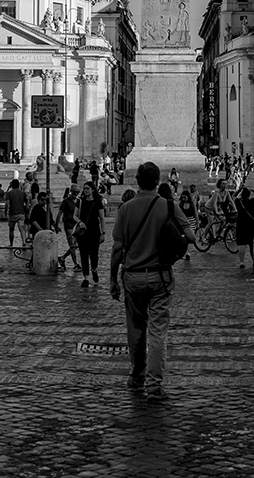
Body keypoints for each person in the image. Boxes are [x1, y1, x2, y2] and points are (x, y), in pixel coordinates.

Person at [110, 161, 195, 401]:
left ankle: (137, 377)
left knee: (136, 332)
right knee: (158, 334)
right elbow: (190, 236)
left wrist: (112, 280)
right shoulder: (168, 205)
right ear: (159, 181)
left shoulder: (125, 209)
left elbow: (117, 249)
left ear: (137, 180)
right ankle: (154, 386)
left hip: (133, 276)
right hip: (160, 276)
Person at [73, 181, 106, 288]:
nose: (86, 190)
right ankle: (86, 278)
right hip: (83, 232)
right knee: (83, 255)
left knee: (94, 254)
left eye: (88, 188)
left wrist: (103, 233)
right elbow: (75, 216)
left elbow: (101, 218)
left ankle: (94, 269)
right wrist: (80, 222)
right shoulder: (80, 201)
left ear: (92, 189)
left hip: (94, 232)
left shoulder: (98, 202)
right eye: (84, 188)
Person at [55, 185, 82, 272]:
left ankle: (62, 258)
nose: (76, 194)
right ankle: (75, 264)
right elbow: (59, 213)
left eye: (77, 192)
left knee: (77, 244)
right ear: (71, 191)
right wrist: (57, 225)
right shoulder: (66, 201)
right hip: (69, 225)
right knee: (72, 244)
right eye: (74, 192)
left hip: (77, 225)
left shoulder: (79, 201)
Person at [234, 186, 254, 268]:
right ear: (249, 195)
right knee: (251, 244)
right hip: (251, 224)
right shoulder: (252, 201)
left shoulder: (238, 202)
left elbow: (235, 196)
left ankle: (242, 262)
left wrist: (240, 190)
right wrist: (252, 189)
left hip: (241, 223)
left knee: (241, 244)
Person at [177, 188, 199, 260]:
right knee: (185, 238)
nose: (183, 199)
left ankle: (186, 252)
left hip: (191, 222)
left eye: (185, 197)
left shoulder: (192, 204)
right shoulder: (181, 204)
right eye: (182, 197)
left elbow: (195, 214)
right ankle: (186, 252)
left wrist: (197, 222)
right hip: (183, 222)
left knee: (189, 238)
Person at [5, 179, 27, 248]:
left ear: (12, 185)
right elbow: (26, 203)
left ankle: (11, 244)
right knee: (22, 229)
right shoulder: (23, 193)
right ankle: (24, 242)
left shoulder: (10, 193)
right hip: (21, 213)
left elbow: (7, 204)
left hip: (12, 213)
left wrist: (6, 212)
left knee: (11, 229)